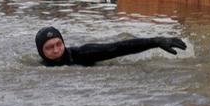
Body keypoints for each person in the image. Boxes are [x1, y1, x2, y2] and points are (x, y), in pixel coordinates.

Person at [35, 26, 187, 67]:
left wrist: (155, 41)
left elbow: (118, 48)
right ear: (41, 53)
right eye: (49, 48)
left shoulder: (82, 54)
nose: (56, 50)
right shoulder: (38, 68)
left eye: (58, 44)